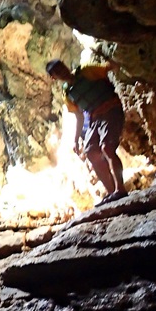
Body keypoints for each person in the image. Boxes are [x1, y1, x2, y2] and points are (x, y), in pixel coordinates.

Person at [46, 59, 128, 206]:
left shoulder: (86, 71)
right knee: (91, 152)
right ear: (54, 77)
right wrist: (76, 139)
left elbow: (109, 68)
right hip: (95, 118)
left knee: (107, 148)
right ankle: (111, 193)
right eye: (57, 71)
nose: (62, 71)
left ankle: (120, 189)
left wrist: (114, 60)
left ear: (65, 64)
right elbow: (79, 116)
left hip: (111, 108)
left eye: (62, 67)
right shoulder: (67, 93)